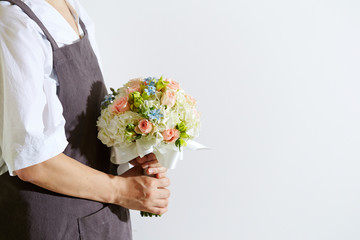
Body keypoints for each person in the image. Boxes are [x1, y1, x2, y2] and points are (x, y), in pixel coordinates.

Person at [0, 0, 170, 239]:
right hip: (53, 223)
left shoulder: (73, 10)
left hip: (101, 216)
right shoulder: (14, 22)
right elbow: (32, 162)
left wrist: (129, 150)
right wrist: (122, 190)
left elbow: (83, 118)